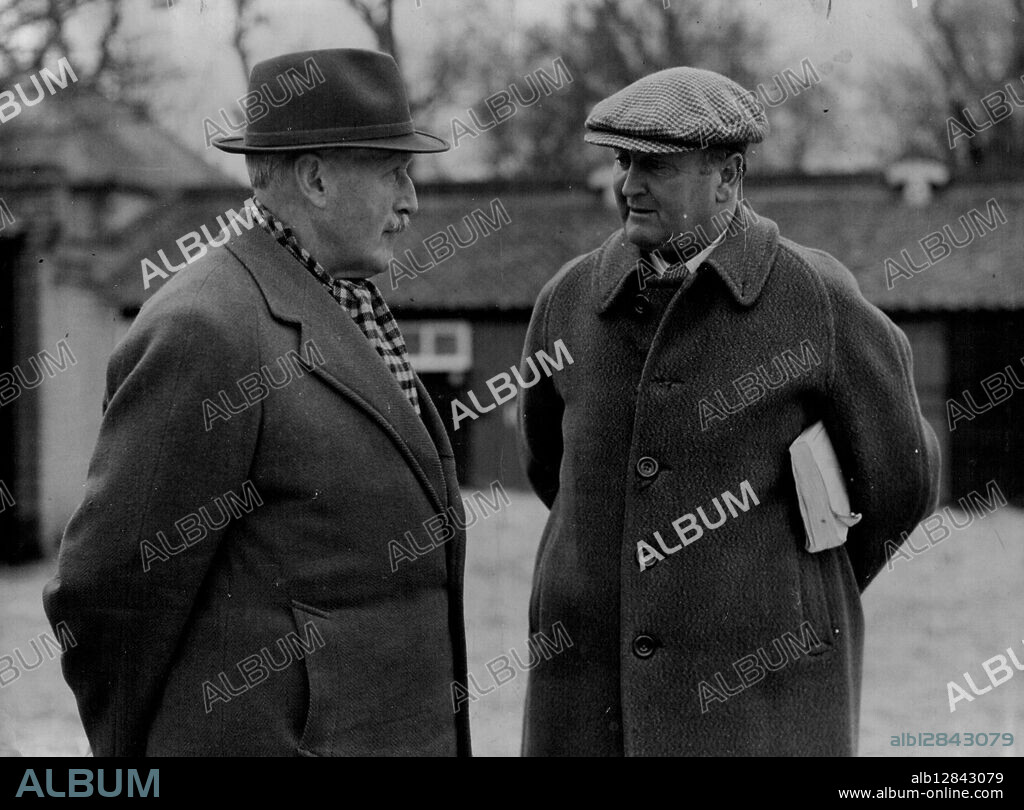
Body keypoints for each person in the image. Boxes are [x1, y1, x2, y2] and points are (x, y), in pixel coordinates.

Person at [44, 49, 471, 757]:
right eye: (395, 171)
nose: (411, 201)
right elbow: (109, 589)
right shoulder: (205, 328)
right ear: (316, 178)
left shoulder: (344, 300)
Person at [517, 66, 940, 756]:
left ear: (729, 176)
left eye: (656, 165)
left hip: (759, 708)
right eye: (624, 162)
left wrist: (801, 590)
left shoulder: (815, 298)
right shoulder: (568, 301)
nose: (628, 186)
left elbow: (902, 479)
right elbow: (551, 470)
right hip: (588, 702)